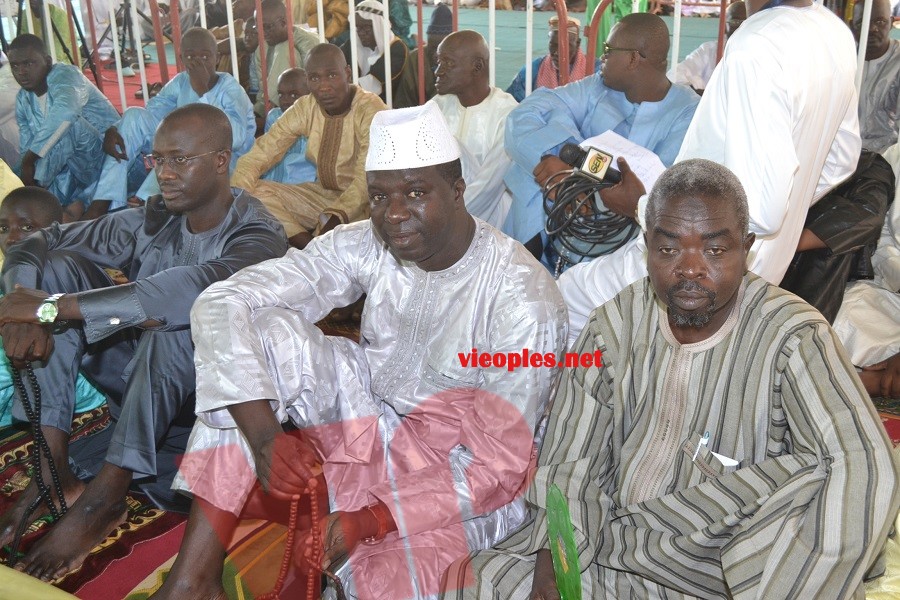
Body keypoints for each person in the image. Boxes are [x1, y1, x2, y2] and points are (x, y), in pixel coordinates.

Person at [152, 102, 567, 600]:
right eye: (378, 196)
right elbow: (222, 300)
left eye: (416, 192)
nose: (393, 214)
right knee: (262, 332)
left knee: (385, 578)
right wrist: (265, 437)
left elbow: (497, 469)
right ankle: (193, 579)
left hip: (464, 479)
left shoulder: (522, 299)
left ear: (457, 193)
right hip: (372, 419)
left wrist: (371, 518)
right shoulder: (371, 241)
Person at [443, 159, 899, 600]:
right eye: (668, 248)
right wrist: (553, 561)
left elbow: (864, 465)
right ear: (647, 248)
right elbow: (571, 460)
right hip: (612, 553)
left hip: (727, 573)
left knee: (820, 473)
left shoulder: (793, 336)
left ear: (747, 247)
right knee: (478, 579)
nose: (690, 268)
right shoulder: (614, 327)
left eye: (715, 250)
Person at [0, 104, 287, 581]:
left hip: (215, 402)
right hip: (139, 384)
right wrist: (23, 306)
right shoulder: (156, 217)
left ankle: (107, 496)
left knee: (171, 318)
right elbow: (39, 242)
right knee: (58, 267)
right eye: (157, 161)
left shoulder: (257, 234)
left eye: (180, 160)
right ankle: (52, 464)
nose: (164, 174)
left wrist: (49, 308)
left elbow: (191, 291)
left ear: (221, 160)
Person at [559, 0, 861, 344]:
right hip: (757, 270)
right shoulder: (833, 30)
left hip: (696, 263)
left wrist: (641, 207)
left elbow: (763, 211)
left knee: (564, 301)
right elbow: (841, 161)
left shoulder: (758, 45)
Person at [503, 13, 700, 258]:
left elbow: (648, 188)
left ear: (632, 59)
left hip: (619, 239)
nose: (601, 56)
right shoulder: (596, 86)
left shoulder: (687, 112)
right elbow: (522, 116)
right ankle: (516, 271)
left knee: (553, 129)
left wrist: (570, 175)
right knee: (537, 159)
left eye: (608, 49)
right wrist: (554, 157)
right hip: (558, 221)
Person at [91, 27, 256, 220]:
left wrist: (204, 92)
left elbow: (236, 138)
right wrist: (117, 127)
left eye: (205, 57)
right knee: (134, 117)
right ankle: (106, 202)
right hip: (183, 154)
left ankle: (148, 205)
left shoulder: (229, 88)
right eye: (190, 57)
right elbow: (152, 111)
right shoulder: (181, 81)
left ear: (217, 58)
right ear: (181, 59)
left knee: (178, 146)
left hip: (223, 162)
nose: (197, 63)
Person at [232, 43, 386, 249]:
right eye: (315, 78)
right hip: (322, 197)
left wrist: (334, 219)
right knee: (253, 191)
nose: (323, 86)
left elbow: (366, 180)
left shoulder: (370, 109)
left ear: (347, 73)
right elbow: (262, 151)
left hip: (366, 204)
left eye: (331, 75)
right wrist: (233, 197)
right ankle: (307, 246)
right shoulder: (306, 107)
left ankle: (313, 248)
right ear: (307, 80)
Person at [0, 187, 106, 428]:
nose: (12, 238)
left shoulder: (65, 278)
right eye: (3, 228)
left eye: (27, 227)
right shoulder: (8, 278)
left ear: (57, 232)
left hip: (79, 391)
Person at [9, 34, 119, 218]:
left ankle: (34, 198)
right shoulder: (23, 99)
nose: (21, 72)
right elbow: (26, 148)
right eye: (15, 66)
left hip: (107, 160)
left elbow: (67, 112)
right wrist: (14, 178)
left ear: (48, 61)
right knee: (20, 174)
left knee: (67, 127)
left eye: (28, 64)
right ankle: (30, 201)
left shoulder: (66, 75)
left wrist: (30, 160)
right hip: (70, 171)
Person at [779, 149, 894, 323]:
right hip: (772, 249)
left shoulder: (869, 164)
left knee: (840, 230)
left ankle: (799, 327)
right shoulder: (786, 154)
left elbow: (868, 217)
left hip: (815, 259)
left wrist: (788, 244)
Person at [430, 30, 518, 228]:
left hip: (490, 222)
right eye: (438, 62)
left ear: (477, 67)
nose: (438, 71)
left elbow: (489, 186)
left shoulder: (507, 114)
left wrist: (444, 222)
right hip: (437, 216)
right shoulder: (437, 106)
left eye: (448, 63)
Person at [833, 142, 900, 400]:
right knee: (841, 316)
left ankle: (874, 381)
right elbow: (881, 243)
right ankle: (879, 378)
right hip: (888, 292)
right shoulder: (893, 158)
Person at [506, 16, 601, 103]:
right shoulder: (533, 70)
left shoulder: (595, 69)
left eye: (566, 46)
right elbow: (511, 105)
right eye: (553, 45)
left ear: (578, 44)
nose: (557, 52)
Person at [252, 0, 319, 118]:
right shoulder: (261, 48)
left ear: (283, 22)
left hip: (306, 108)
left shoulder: (308, 42)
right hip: (271, 109)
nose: (262, 34)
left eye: (266, 27)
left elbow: (316, 83)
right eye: (258, 28)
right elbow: (263, 90)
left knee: (285, 49)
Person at [853, 0, 900, 153]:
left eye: (880, 21)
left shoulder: (897, 62)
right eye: (862, 23)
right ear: (852, 26)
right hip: (844, 153)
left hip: (886, 157)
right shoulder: (844, 57)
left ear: (892, 22)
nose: (872, 29)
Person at [668, 1, 746, 94]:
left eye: (747, 22)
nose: (741, 26)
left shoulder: (762, 54)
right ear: (724, 26)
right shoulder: (710, 50)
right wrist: (705, 96)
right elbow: (675, 76)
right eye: (735, 22)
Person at [341, 0, 409, 104]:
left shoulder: (397, 49)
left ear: (379, 26)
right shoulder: (352, 45)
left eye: (366, 28)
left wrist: (340, 88)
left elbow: (373, 85)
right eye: (358, 28)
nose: (361, 33)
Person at [261, 68, 317, 185]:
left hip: (305, 188)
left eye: (293, 95)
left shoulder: (317, 121)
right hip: (273, 184)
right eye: (281, 94)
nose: (285, 101)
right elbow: (267, 153)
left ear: (311, 95)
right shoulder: (274, 117)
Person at [395, 2, 452, 109]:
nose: (436, 54)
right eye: (433, 47)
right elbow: (403, 103)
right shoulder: (415, 59)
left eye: (441, 49)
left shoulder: (461, 60)